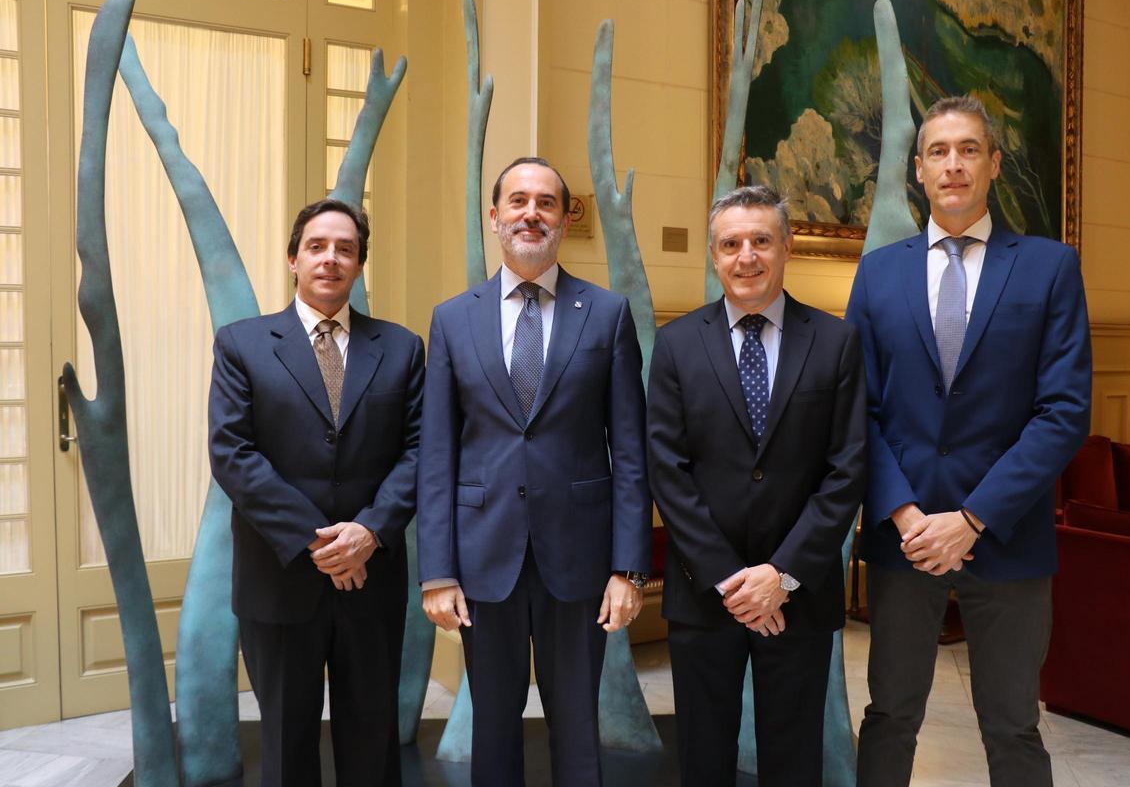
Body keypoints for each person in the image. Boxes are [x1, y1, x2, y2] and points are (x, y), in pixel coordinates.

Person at [846, 95, 1092, 787]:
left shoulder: (1049, 268)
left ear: (994, 165)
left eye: (969, 150)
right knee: (890, 716)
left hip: (1007, 537)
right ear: (918, 171)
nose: (953, 164)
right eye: (938, 151)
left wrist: (974, 518)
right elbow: (855, 409)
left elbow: (1064, 411)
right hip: (905, 541)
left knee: (1012, 726)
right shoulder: (878, 272)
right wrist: (906, 515)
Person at [417, 156, 652, 786]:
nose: (531, 214)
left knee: (577, 729)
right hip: (481, 557)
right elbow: (436, 454)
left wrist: (628, 568)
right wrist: (437, 571)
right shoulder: (452, 319)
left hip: (579, 559)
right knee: (492, 731)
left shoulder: (607, 314)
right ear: (495, 216)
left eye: (546, 203)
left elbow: (631, 451)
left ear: (565, 220)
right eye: (518, 201)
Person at [646, 184, 866, 786]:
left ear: (787, 246)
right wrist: (729, 578)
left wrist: (781, 576)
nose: (746, 256)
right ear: (714, 255)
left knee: (794, 762)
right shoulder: (676, 344)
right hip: (705, 593)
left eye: (761, 241)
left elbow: (846, 469)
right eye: (731, 244)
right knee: (703, 760)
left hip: (799, 595)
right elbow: (667, 469)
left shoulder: (836, 341)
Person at [208, 198, 423, 787]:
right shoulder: (242, 344)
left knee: (373, 744)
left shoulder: (402, 348)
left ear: (360, 265)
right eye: (317, 246)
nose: (331, 258)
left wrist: (369, 531)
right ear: (293, 259)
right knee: (285, 745)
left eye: (345, 249)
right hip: (278, 579)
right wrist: (320, 541)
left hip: (372, 578)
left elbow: (420, 451)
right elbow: (232, 453)